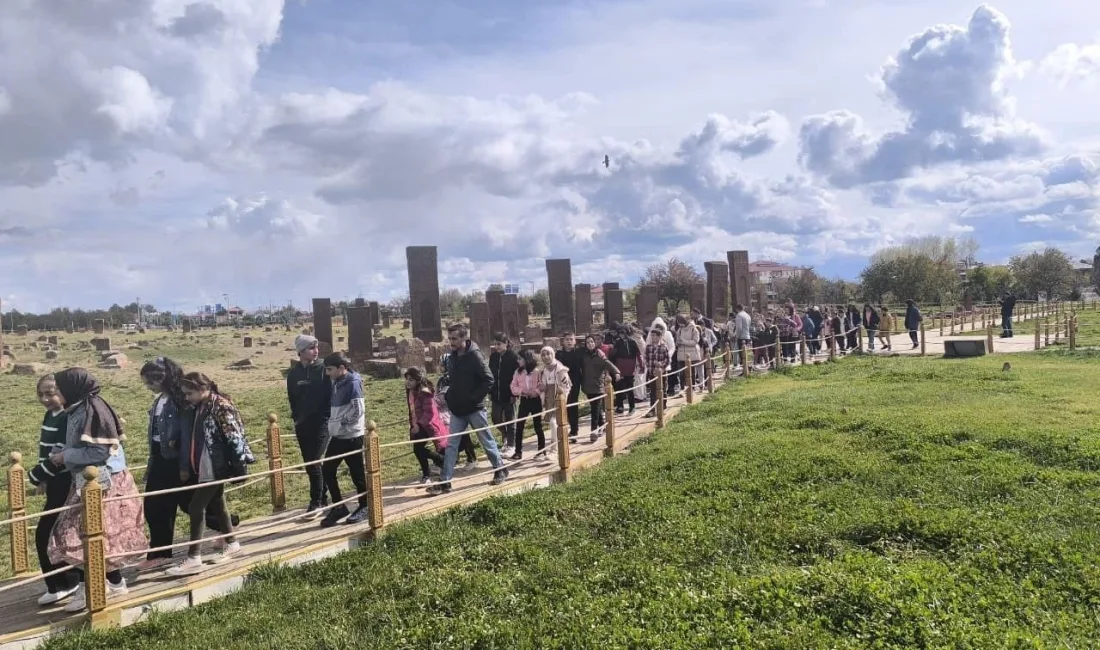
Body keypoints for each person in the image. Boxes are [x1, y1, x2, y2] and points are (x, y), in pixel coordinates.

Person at [47, 368, 147, 612]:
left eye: (58, 388)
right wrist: (62, 450)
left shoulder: (93, 410)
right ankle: (113, 583)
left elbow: (99, 451)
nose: (56, 393)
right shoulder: (78, 408)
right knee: (94, 535)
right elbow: (83, 443)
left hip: (105, 483)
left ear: (72, 388)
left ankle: (93, 585)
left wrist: (65, 456)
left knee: (82, 534)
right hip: (86, 481)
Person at [139, 357, 237, 571]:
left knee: (190, 504)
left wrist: (184, 466)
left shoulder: (180, 400)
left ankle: (223, 534)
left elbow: (186, 435)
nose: (148, 387)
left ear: (162, 378)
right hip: (159, 458)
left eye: (150, 382)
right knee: (157, 506)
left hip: (176, 460)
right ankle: (161, 551)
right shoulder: (159, 400)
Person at [168, 372, 255, 576]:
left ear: (202, 389)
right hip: (206, 463)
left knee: (196, 507)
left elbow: (235, 437)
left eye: (189, 393)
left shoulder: (221, 406)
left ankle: (194, 556)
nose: (187, 398)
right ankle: (232, 542)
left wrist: (240, 467)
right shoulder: (202, 406)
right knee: (217, 502)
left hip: (216, 465)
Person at [427, 324, 508, 495]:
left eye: (455, 339)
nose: (452, 342)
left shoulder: (475, 357)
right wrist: (450, 397)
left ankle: (500, 469)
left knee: (486, 441)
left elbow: (489, 380)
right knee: (451, 446)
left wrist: (473, 398)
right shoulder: (453, 357)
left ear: (464, 338)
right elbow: (453, 380)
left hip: (474, 409)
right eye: (450, 339)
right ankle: (445, 481)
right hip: (457, 410)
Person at [29, 375, 80, 606]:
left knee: (47, 533)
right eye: (41, 394)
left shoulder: (67, 418)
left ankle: (63, 583)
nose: (45, 399)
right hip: (53, 482)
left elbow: (58, 456)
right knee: (63, 532)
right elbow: (45, 450)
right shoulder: (50, 414)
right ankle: (72, 579)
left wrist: (35, 476)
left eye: (50, 393)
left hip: (66, 482)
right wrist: (43, 479)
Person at [319, 353, 368, 528]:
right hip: (339, 435)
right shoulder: (337, 382)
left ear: (341, 368)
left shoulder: (353, 383)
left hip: (351, 436)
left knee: (357, 473)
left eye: (330, 370)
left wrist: (341, 423)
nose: (327, 373)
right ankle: (339, 506)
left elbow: (358, 410)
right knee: (328, 469)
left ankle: (365, 505)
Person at [286, 335, 332, 518]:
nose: (316, 350)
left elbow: (329, 396)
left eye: (316, 347)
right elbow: (293, 399)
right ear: (301, 352)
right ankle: (324, 498)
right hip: (302, 425)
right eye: (312, 348)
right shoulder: (293, 374)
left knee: (314, 462)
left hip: (322, 423)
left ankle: (315, 503)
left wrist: (326, 418)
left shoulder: (323, 369)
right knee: (310, 464)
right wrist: (297, 419)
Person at [438, 351, 479, 471]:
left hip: (454, 410)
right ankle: (454, 459)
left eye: (441, 364)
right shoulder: (443, 379)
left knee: (463, 435)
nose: (439, 367)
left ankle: (471, 458)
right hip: (446, 411)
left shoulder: (450, 378)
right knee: (455, 437)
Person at [405, 367, 447, 484]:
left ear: (418, 381)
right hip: (415, 424)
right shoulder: (410, 391)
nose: (408, 382)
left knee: (418, 449)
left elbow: (429, 412)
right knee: (418, 450)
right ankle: (428, 472)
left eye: (411, 380)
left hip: (426, 424)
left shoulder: (424, 392)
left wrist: (418, 425)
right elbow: (412, 410)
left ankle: (435, 465)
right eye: (407, 379)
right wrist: (412, 424)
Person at [581, 334, 621, 442]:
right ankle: (602, 425)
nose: (590, 344)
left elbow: (607, 363)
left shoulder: (599, 354)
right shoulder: (583, 355)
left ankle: (593, 431)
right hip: (587, 385)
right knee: (596, 408)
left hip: (598, 385)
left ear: (595, 343)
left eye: (592, 342)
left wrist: (616, 372)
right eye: (588, 342)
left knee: (595, 409)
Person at [509, 349, 546, 460]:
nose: (518, 360)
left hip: (535, 401)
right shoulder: (517, 372)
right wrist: (522, 391)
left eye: (520, 358)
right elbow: (513, 386)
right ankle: (518, 452)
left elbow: (542, 385)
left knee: (537, 426)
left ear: (527, 359)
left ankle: (541, 451)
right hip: (524, 401)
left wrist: (535, 392)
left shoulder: (537, 372)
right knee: (519, 426)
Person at [488, 333, 520, 456]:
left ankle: (511, 445)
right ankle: (506, 437)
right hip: (496, 394)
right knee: (496, 419)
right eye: (495, 344)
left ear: (506, 343)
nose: (497, 347)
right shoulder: (493, 357)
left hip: (509, 394)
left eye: (499, 344)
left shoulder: (513, 356)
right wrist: (490, 391)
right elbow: (490, 375)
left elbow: (517, 376)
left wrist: (514, 394)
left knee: (510, 420)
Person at [555, 333, 585, 443]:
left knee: (573, 405)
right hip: (562, 383)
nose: (569, 341)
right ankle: (564, 428)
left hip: (575, 382)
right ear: (563, 341)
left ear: (575, 341)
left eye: (571, 339)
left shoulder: (578, 352)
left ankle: (574, 430)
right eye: (567, 339)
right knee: (564, 406)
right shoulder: (559, 354)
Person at [537, 346, 573, 434]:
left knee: (554, 421)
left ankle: (554, 444)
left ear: (552, 355)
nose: (546, 357)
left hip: (559, 396)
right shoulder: (543, 370)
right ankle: (561, 436)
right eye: (543, 355)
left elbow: (566, 386)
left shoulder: (561, 370)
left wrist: (563, 398)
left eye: (548, 354)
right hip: (549, 397)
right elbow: (543, 385)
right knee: (553, 422)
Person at [609, 325, 643, 415]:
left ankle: (632, 407)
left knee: (630, 389)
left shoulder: (632, 342)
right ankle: (620, 407)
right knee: (619, 388)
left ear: (627, 333)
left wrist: (641, 365)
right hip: (619, 368)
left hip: (630, 368)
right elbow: (613, 355)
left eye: (623, 333)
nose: (621, 335)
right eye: (620, 333)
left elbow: (638, 354)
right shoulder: (617, 342)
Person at [643, 326, 670, 417]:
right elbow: (646, 358)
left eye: (654, 336)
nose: (653, 337)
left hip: (662, 373)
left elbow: (667, 360)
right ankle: (652, 409)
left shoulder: (663, 347)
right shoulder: (648, 347)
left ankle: (663, 406)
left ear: (659, 336)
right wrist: (648, 365)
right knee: (653, 391)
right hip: (652, 372)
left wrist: (661, 365)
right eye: (652, 336)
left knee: (663, 390)